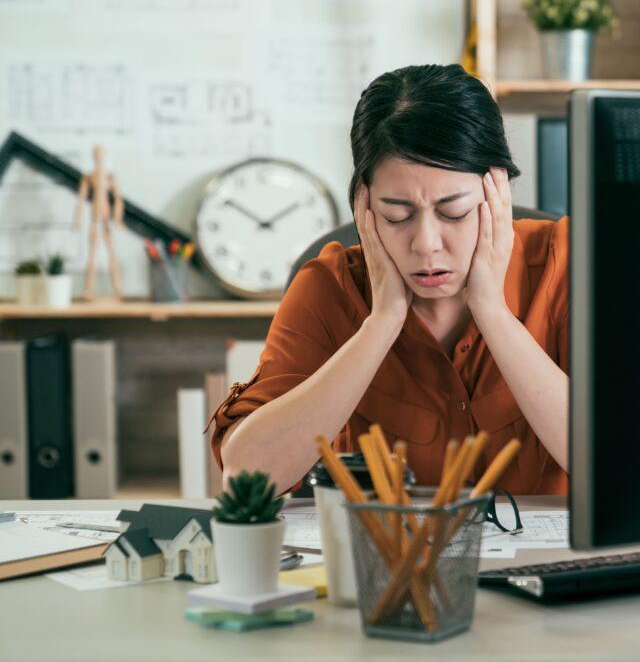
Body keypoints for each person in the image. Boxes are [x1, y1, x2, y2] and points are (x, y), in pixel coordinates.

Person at [207, 63, 569, 496]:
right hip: (383, 558)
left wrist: (492, 312)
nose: (426, 243)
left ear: (498, 191)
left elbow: (623, 464)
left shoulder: (565, 264)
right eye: (397, 215)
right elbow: (247, 479)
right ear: (365, 204)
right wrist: (381, 323)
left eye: (454, 212)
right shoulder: (329, 287)